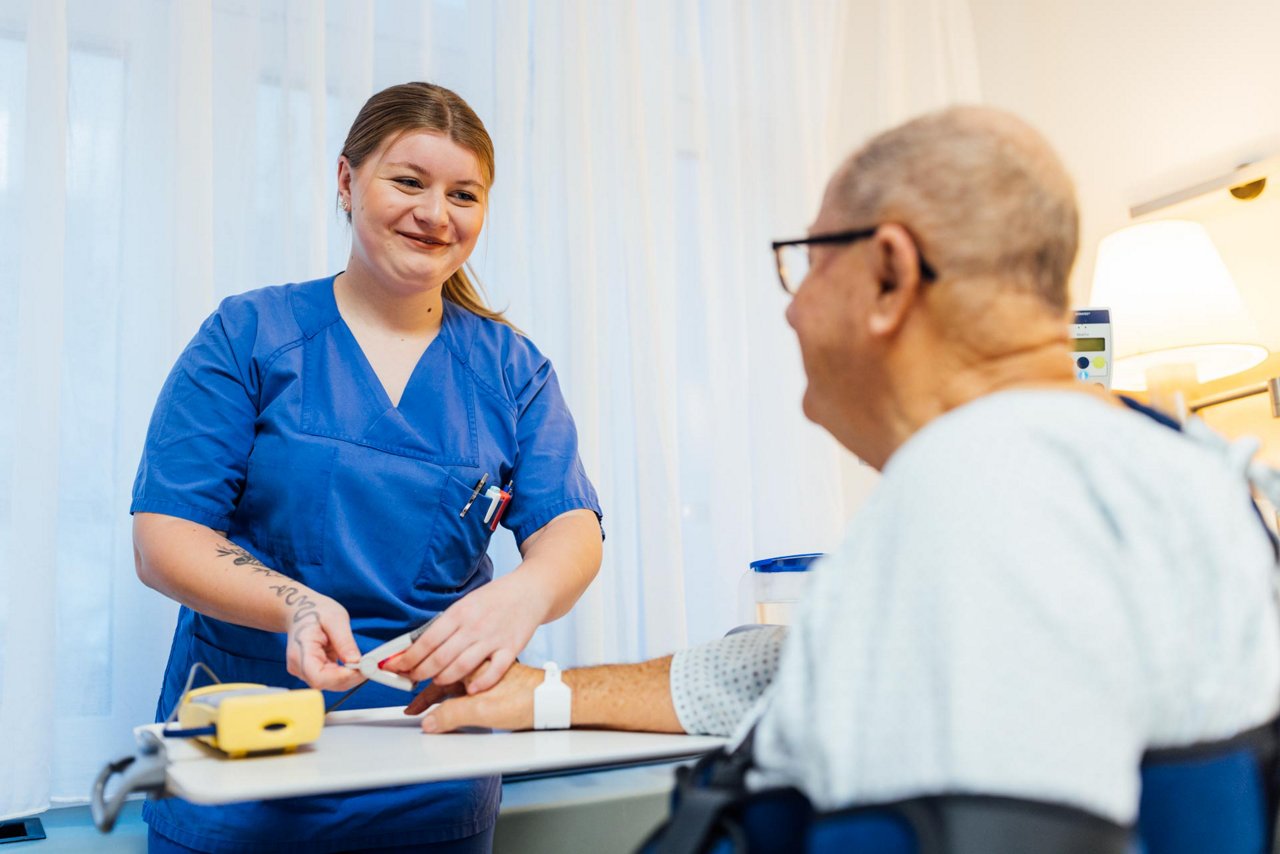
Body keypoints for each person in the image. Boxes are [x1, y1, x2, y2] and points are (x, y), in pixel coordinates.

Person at [405, 106, 1280, 826]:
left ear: (890, 273)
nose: (793, 313)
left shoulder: (986, 484)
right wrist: (546, 693)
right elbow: (788, 673)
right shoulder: (1178, 466)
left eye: (810, 262)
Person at [131, 81, 604, 853]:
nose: (435, 213)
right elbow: (164, 538)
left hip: (431, 778)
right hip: (247, 776)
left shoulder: (511, 370)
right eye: (408, 182)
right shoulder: (250, 335)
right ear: (347, 182)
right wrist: (295, 606)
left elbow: (572, 530)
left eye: (464, 194)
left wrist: (526, 594)